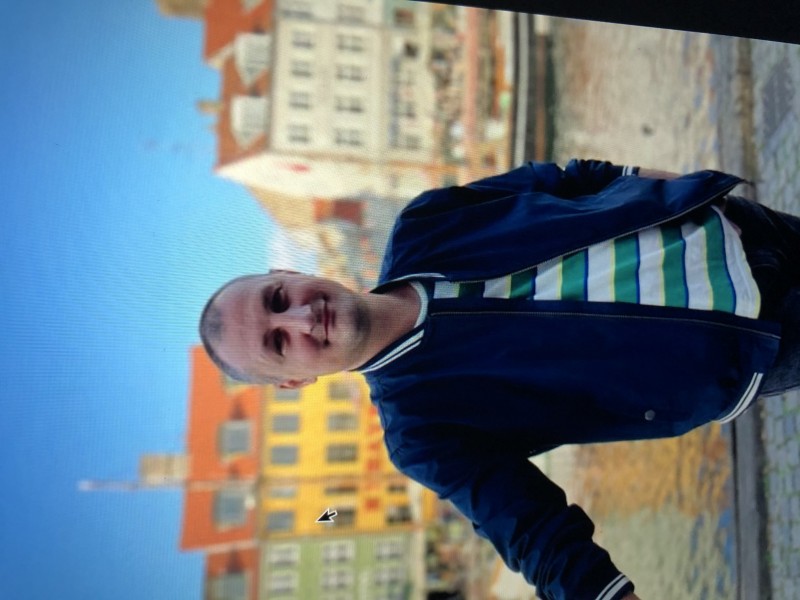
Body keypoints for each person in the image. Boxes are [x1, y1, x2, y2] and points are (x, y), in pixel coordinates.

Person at [199, 159, 800, 600]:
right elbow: (533, 532)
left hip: (727, 224)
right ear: (294, 383)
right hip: (751, 343)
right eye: (279, 343)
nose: (302, 319)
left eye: (278, 299)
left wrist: (672, 184)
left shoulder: (423, 223)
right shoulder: (421, 431)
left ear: (286, 273)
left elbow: (564, 179)